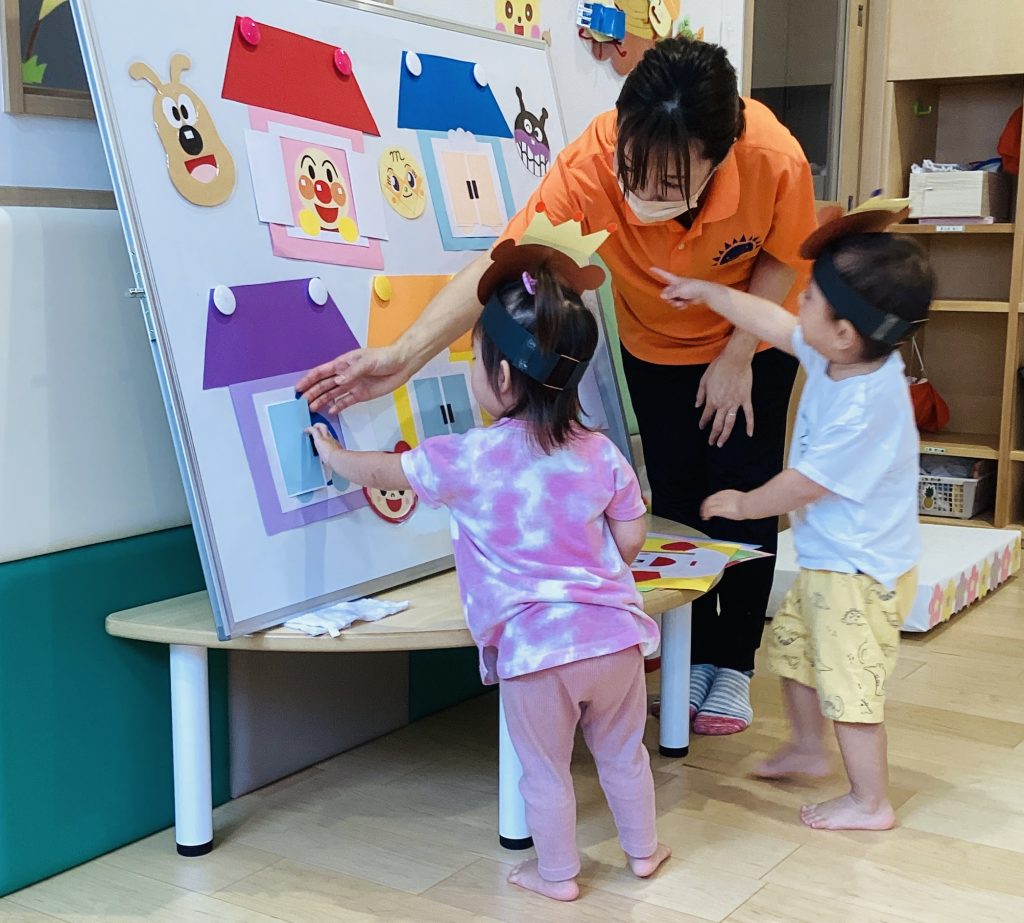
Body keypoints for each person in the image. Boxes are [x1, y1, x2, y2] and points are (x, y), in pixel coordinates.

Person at [298, 37, 818, 736]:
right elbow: (502, 261)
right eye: (634, 170)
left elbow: (784, 257)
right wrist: (404, 354)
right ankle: (694, 654)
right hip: (655, 342)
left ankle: (735, 661)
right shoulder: (588, 168)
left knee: (744, 487)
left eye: (669, 183)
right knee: (680, 488)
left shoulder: (774, 159)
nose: (644, 193)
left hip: (753, 337)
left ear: (717, 158)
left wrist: (738, 353)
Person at [308, 256, 670, 901]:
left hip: (536, 653)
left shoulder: (467, 457)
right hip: (615, 640)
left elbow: (387, 473)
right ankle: (643, 853)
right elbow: (632, 536)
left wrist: (334, 455)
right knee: (624, 756)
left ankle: (556, 876)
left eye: (474, 358)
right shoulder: (601, 451)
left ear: (500, 375)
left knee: (545, 773)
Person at [655, 200, 935, 830]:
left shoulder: (865, 407)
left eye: (808, 297)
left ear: (844, 330)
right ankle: (809, 749)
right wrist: (708, 292)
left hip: (860, 576)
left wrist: (742, 504)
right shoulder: (840, 355)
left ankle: (870, 801)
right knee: (797, 653)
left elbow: (802, 485)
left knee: (850, 687)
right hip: (834, 563)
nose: (795, 304)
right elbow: (770, 320)